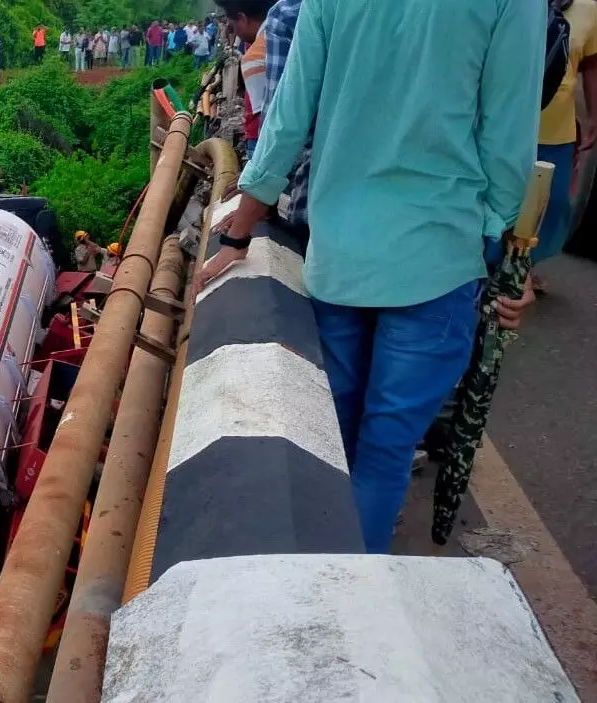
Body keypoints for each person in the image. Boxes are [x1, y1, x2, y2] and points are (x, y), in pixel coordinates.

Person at [194, 0, 545, 554]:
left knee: (332, 436)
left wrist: (238, 234)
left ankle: (320, 577)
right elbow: (508, 138)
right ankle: (355, 595)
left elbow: (288, 118)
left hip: (340, 253)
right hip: (439, 255)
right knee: (384, 452)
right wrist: (501, 249)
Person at [537, 0, 597, 286]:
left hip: (557, 126)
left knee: (555, 204)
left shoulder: (589, 8)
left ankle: (524, 263)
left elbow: (591, 66)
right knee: (503, 196)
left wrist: (594, 116)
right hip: (507, 121)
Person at [217, 0, 275, 157]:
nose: (235, 33)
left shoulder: (255, 55)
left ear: (242, 19)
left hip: (261, 143)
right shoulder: (288, 34)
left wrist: (255, 168)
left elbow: (263, 120)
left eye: (233, 26)